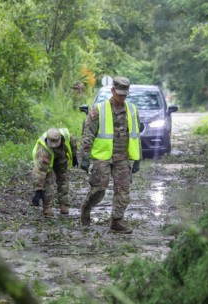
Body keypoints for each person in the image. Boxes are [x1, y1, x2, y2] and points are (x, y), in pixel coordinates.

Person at [79, 76, 142, 233]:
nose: (122, 97)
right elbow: (88, 134)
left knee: (123, 191)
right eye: (119, 94)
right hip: (103, 156)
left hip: (122, 157)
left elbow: (135, 134)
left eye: (125, 95)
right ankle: (86, 209)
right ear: (112, 91)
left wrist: (138, 157)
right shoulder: (99, 110)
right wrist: (85, 156)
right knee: (99, 188)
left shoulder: (132, 110)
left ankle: (116, 221)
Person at [31, 127, 78, 217]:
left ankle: (64, 205)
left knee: (63, 180)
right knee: (49, 184)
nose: (54, 145)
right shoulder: (43, 150)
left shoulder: (67, 136)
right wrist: (38, 190)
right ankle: (47, 207)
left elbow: (73, 144)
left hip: (61, 156)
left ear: (60, 139)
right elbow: (39, 171)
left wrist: (74, 155)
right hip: (46, 162)